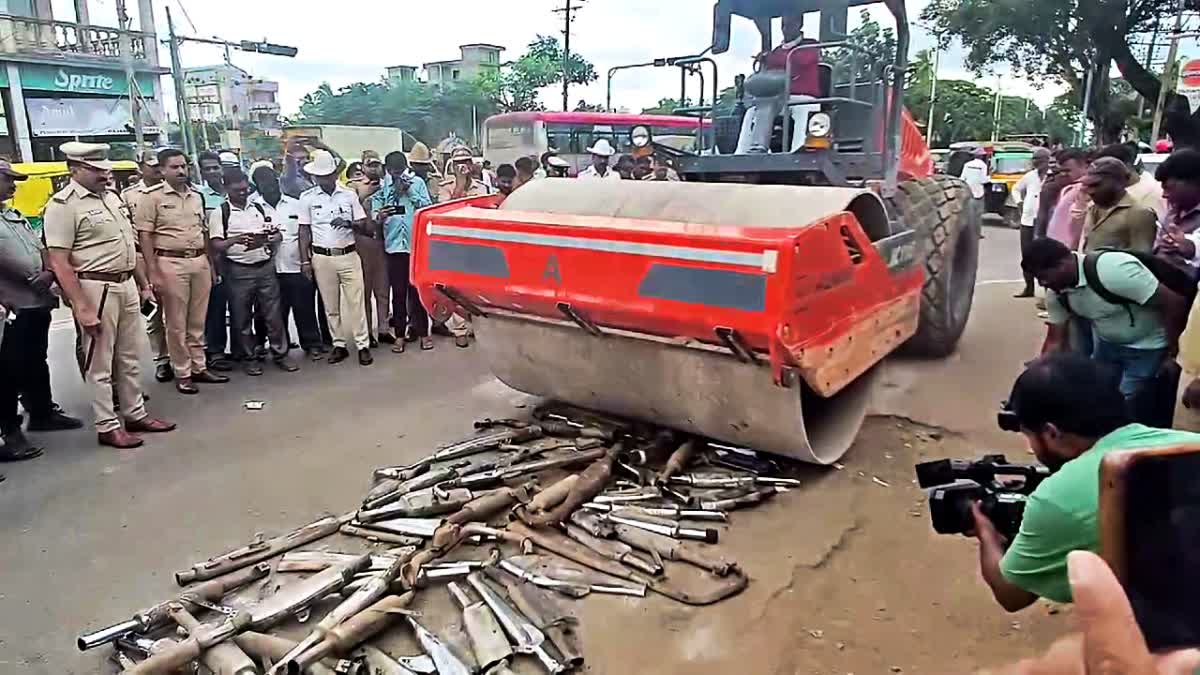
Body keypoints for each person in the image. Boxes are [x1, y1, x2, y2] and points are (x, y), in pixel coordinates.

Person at [973, 352, 1200, 612]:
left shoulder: (1055, 498)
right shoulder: (1188, 444)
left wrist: (986, 532)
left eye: (1030, 437)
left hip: (1169, 638)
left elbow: (1011, 594)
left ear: (1051, 433)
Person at [43, 142, 175, 448]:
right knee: (100, 362)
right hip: (95, 286)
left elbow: (129, 245)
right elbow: (59, 261)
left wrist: (142, 284)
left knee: (130, 356)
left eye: (106, 168)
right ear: (74, 169)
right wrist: (81, 306)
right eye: (96, 169)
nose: (105, 174)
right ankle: (107, 424)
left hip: (126, 283)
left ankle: (135, 413)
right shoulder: (63, 206)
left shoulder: (112, 199)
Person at [1024, 237, 1188, 398]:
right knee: (1100, 397)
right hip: (1106, 347)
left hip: (1147, 348)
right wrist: (1037, 377)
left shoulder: (1113, 271)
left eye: (1042, 276)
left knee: (1125, 404)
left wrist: (1173, 352)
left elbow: (1174, 303)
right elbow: (1055, 341)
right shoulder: (1057, 292)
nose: (1042, 284)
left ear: (1062, 265)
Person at [0, 158, 82, 460]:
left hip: (36, 301)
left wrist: (48, 273)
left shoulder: (13, 214)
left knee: (36, 361)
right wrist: (28, 276)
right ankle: (10, 431)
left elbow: (41, 248)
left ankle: (42, 412)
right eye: (7, 179)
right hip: (12, 306)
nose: (13, 185)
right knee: (8, 372)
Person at [136, 148, 229, 395]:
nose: (181, 171)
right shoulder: (151, 197)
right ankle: (182, 371)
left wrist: (210, 264)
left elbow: (204, 233)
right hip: (170, 262)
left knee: (197, 320)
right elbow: (145, 236)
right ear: (163, 170)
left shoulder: (196, 196)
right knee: (176, 322)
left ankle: (199, 366)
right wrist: (152, 272)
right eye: (174, 167)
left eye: (184, 166)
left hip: (198, 260)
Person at [208, 169, 298, 376]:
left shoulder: (258, 207)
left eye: (245, 188)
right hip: (238, 270)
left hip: (265, 267)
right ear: (226, 188)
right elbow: (216, 244)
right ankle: (249, 357)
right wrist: (236, 240)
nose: (242, 192)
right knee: (242, 317)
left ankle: (280, 354)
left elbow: (274, 232)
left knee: (273, 315)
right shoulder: (221, 212)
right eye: (237, 189)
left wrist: (271, 237)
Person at [297, 149, 373, 366]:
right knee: (331, 305)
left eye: (326, 175)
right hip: (322, 257)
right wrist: (305, 261)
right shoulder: (307, 198)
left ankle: (362, 345)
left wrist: (348, 223)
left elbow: (363, 225)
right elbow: (304, 231)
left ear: (333, 174)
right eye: (318, 176)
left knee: (356, 303)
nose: (322, 179)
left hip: (348, 254)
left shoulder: (348, 195)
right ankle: (339, 344)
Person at [252, 166, 325, 361]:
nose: (270, 186)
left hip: (296, 265)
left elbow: (304, 235)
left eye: (272, 181)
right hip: (268, 269)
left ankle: (312, 344)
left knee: (304, 307)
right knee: (271, 311)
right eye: (264, 183)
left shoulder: (295, 205)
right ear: (257, 186)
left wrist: (306, 261)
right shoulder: (253, 209)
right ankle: (273, 346)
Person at [371, 152, 433, 352]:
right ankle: (399, 335)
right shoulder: (382, 188)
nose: (398, 176)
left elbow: (428, 209)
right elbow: (375, 216)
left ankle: (423, 333)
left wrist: (409, 193)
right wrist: (379, 214)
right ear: (387, 170)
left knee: (417, 293)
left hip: (416, 247)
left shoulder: (417, 183)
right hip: (394, 248)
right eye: (394, 172)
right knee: (398, 294)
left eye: (401, 171)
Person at [121, 149, 171, 382]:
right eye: (152, 165)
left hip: (170, 255)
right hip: (140, 257)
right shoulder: (129, 195)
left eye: (160, 165)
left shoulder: (170, 192)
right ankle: (161, 360)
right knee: (152, 311)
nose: (157, 170)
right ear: (140, 167)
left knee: (177, 313)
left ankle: (182, 358)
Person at [347, 151, 391, 346]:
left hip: (383, 241)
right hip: (362, 242)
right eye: (369, 164)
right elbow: (349, 214)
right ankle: (368, 333)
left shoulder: (389, 185)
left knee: (382, 290)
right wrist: (365, 194)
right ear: (362, 166)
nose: (373, 168)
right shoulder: (353, 187)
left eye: (377, 164)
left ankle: (383, 329)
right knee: (364, 290)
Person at [1079, 157, 1158, 253]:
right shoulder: (1092, 209)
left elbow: (1142, 257)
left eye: (1096, 185)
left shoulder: (1139, 213)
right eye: (1088, 185)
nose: (1090, 191)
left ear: (1119, 182)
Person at [1013, 147, 1053, 298]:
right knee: (1027, 255)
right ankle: (1028, 287)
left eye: (1039, 159)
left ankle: (1048, 291)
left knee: (1045, 256)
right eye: (1034, 159)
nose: (1036, 162)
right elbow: (1016, 189)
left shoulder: (1053, 177)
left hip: (1045, 222)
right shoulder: (1030, 176)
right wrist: (1019, 203)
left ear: (1047, 160)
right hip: (1027, 221)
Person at [1153, 148, 1200, 276]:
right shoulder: (1173, 210)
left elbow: (1194, 246)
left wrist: (1188, 246)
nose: (1164, 195)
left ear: (1194, 182)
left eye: (1169, 188)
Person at [1094, 143, 1166, 220]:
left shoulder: (1160, 192)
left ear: (1126, 165)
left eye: (1107, 171)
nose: (1104, 177)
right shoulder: (1102, 193)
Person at [1045, 148, 1092, 248]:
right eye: (1061, 170)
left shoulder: (1087, 190)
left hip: (1069, 249)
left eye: (1068, 170)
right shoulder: (1066, 189)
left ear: (1084, 166)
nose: (1063, 174)